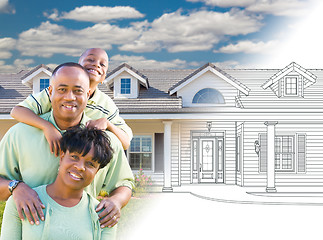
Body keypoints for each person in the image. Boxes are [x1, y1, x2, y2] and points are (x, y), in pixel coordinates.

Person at [0, 62, 133, 229]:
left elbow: (124, 184)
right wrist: (16, 187)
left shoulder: (106, 141)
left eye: (78, 91)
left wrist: (116, 201)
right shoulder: (19, 134)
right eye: (62, 89)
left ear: (88, 93)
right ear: (50, 92)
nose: (70, 97)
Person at [1, 126, 117, 240]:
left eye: (91, 164)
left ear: (96, 172)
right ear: (62, 157)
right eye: (74, 157)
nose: (80, 167)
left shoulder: (104, 215)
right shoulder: (22, 202)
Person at [10, 48, 132, 153]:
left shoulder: (106, 104)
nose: (96, 65)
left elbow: (125, 142)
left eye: (102, 64)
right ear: (78, 66)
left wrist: (108, 124)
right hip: (45, 148)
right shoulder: (56, 92)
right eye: (90, 60)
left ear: (104, 77)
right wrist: (47, 127)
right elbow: (17, 111)